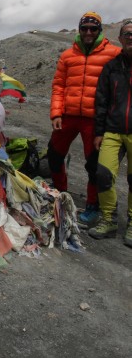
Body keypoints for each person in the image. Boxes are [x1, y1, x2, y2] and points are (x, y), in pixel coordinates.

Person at [48, 12, 121, 225]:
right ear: (79, 30)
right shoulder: (68, 55)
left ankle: (92, 205)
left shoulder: (114, 53)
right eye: (84, 28)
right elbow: (59, 85)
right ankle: (59, 193)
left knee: (93, 164)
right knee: (54, 154)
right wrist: (56, 113)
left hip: (95, 119)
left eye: (93, 28)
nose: (88, 32)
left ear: (100, 30)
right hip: (68, 116)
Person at [90, 19, 132, 245]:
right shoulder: (112, 67)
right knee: (103, 175)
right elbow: (102, 102)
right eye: (127, 34)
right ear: (120, 38)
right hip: (113, 130)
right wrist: (99, 132)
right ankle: (109, 219)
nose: (130, 38)